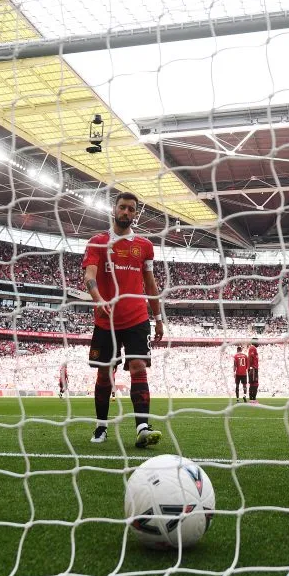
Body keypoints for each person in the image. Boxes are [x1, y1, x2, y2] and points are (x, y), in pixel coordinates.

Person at [82, 192, 165, 448]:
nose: (126, 212)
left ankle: (142, 426)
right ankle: (101, 426)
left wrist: (158, 317)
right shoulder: (98, 242)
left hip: (137, 319)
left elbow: (150, 284)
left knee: (139, 367)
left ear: (135, 214)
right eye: (122, 207)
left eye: (131, 209)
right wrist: (98, 298)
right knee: (105, 375)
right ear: (114, 209)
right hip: (106, 322)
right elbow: (89, 275)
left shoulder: (145, 246)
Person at [247, 338, 260, 403]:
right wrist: (252, 367)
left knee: (253, 383)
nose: (258, 343)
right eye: (257, 342)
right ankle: (253, 399)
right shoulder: (252, 348)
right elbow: (251, 358)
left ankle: (252, 399)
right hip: (253, 368)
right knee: (254, 383)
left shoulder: (253, 348)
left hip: (253, 368)